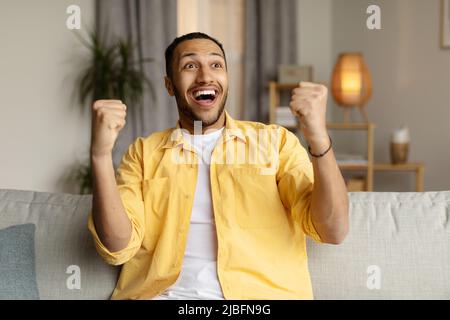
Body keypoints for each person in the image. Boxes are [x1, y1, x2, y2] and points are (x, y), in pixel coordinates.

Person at [87, 32, 349, 300]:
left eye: (216, 65)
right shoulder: (143, 154)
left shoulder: (276, 143)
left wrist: (317, 136)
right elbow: (117, 246)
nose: (205, 76)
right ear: (169, 85)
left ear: (227, 79)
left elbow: (333, 230)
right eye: (190, 65)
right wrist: (100, 154)